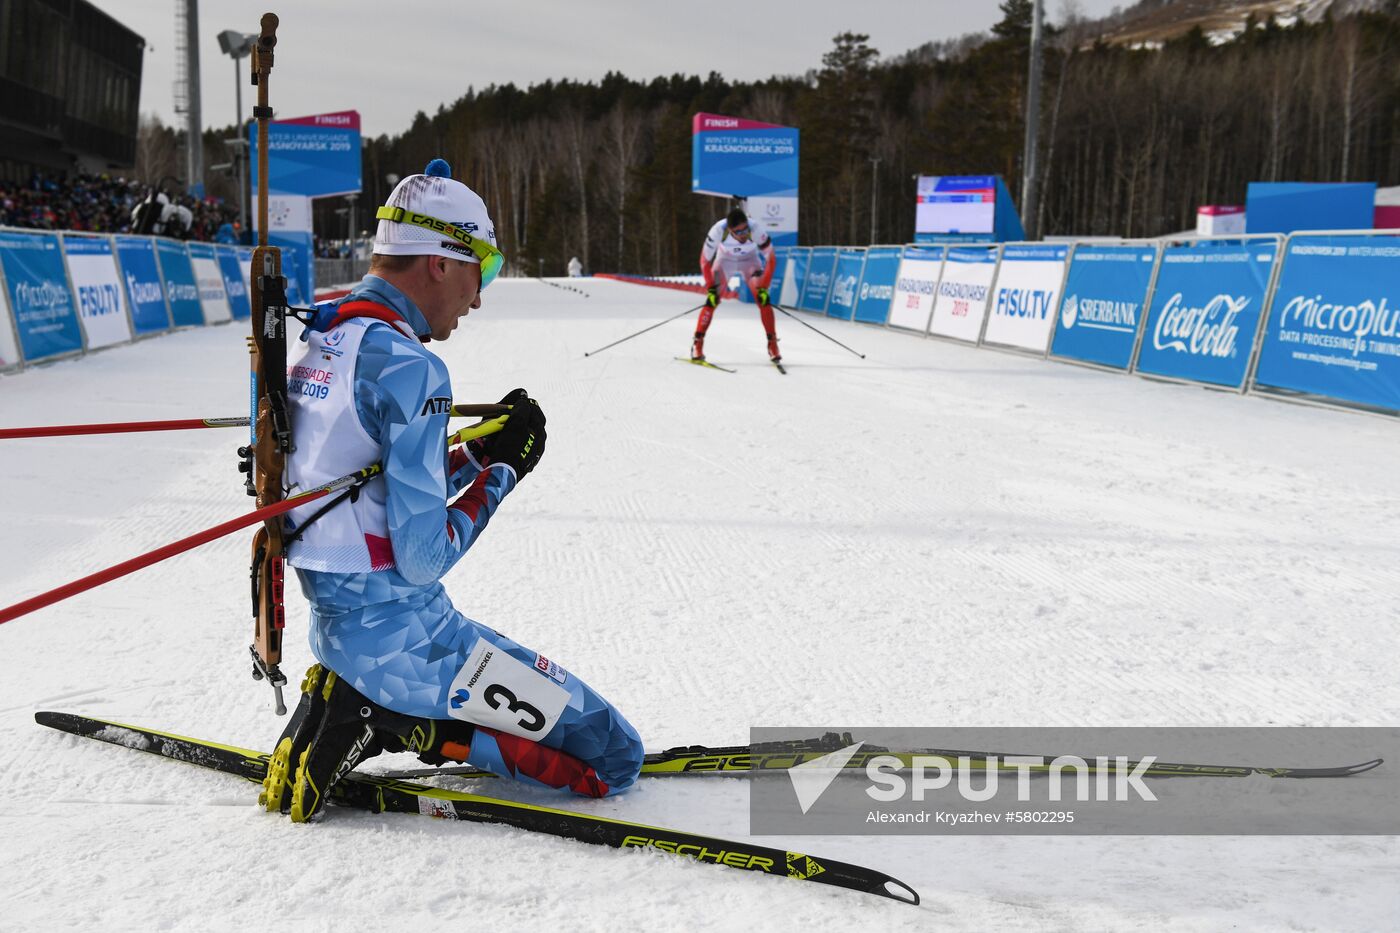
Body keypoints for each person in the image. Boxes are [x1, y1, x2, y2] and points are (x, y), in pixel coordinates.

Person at [260, 159, 644, 822]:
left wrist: (474, 451)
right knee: (613, 755)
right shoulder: (411, 365)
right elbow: (423, 555)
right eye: (483, 268)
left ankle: (356, 694)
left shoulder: (321, 341)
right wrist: (504, 473)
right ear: (440, 260)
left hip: (342, 626)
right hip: (414, 647)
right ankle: (395, 719)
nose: (480, 295)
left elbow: (363, 483)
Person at [692, 207, 780, 363]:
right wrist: (711, 288)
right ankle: (697, 343)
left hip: (750, 260)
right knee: (712, 300)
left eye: (745, 230)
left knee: (763, 299)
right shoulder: (718, 230)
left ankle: (772, 344)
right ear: (730, 231)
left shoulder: (756, 229)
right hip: (725, 261)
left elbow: (771, 259)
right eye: (738, 232)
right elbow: (704, 261)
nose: (744, 234)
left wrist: (764, 287)